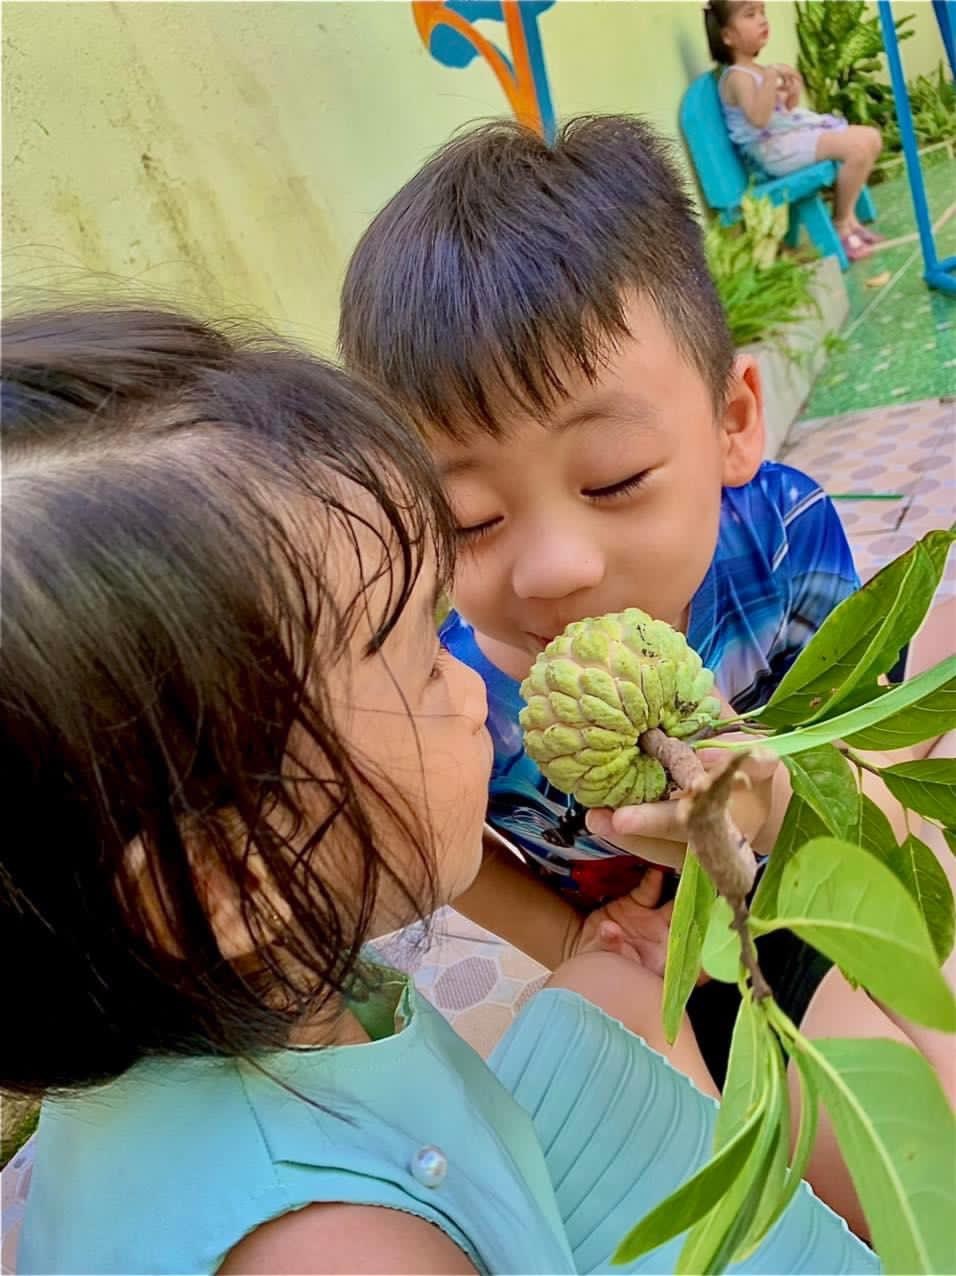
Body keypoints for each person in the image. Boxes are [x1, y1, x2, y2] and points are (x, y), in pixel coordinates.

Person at [2, 305, 880, 1275]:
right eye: (422, 661)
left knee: (602, 987)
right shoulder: (336, 1252)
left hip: (467, 1166)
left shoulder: (255, 993)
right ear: (233, 883)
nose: (470, 686)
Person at [338, 114, 956, 1231]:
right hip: (646, 949)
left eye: (614, 479)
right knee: (603, 1046)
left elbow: (854, 737)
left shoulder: (778, 539)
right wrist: (568, 937)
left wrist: (773, 802)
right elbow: (449, 852)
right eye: (470, 519)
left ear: (732, 422)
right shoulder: (457, 693)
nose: (554, 566)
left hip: (797, 882)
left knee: (908, 1140)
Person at [705, 0, 883, 261]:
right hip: (774, 151)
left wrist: (791, 91)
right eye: (750, 14)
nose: (762, 19)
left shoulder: (757, 70)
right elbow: (758, 120)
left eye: (763, 12)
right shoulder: (737, 77)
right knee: (856, 149)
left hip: (787, 141)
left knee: (872, 138)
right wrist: (770, 79)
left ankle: (851, 220)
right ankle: (841, 223)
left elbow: (783, 113)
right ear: (727, 36)